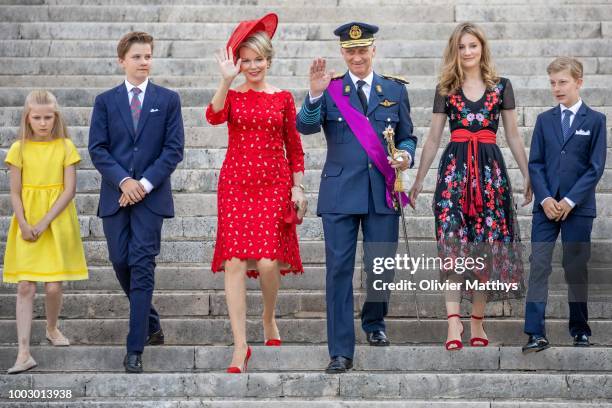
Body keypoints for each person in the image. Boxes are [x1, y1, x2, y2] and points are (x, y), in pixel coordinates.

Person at [296, 22, 416, 373]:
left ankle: (374, 323)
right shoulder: (330, 89)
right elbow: (305, 127)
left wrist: (405, 156)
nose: (358, 56)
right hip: (340, 193)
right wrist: (315, 95)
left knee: (381, 265)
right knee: (338, 271)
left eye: (363, 50)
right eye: (351, 51)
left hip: (382, 190)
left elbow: (408, 136)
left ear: (373, 50)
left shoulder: (393, 88)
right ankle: (340, 350)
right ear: (342, 54)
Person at [409, 22, 531, 351]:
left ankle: (476, 320)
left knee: (485, 252)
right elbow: (434, 137)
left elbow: (513, 135)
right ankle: (453, 324)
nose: (467, 52)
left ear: (482, 48)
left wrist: (527, 174)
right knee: (452, 248)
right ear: (455, 51)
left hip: (491, 177)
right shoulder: (446, 88)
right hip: (453, 176)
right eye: (461, 47)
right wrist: (419, 178)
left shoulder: (501, 86)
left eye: (472, 46)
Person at [205, 13, 306, 373]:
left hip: (274, 184)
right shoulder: (231, 95)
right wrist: (224, 80)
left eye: (258, 60)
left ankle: (267, 317)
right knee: (233, 262)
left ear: (269, 59)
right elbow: (213, 116)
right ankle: (240, 345)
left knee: (266, 262)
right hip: (235, 185)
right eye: (245, 61)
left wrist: (297, 185)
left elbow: (294, 146)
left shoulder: (282, 98)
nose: (252, 66)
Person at [88, 31, 184, 373]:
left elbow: (173, 149)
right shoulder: (105, 101)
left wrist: (142, 184)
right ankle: (151, 322)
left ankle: (135, 348)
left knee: (142, 265)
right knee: (119, 260)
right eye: (137, 57)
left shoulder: (168, 99)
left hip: (151, 197)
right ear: (122, 60)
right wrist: (124, 181)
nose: (144, 62)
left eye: (148, 56)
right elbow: (98, 148)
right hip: (116, 196)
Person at [522, 57, 607, 352]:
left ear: (579, 82)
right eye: (553, 83)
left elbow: (595, 168)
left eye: (563, 82)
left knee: (575, 267)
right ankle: (535, 332)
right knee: (539, 265)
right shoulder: (545, 120)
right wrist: (545, 198)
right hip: (546, 206)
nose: (557, 88)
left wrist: (570, 200)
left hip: (578, 207)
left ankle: (580, 329)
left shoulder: (595, 120)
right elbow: (536, 163)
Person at [3, 90, 88, 374]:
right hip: (27, 220)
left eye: (48, 117)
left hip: (57, 221)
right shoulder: (19, 149)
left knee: (53, 286)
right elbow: (14, 192)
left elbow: (69, 191)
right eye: (37, 117)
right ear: (27, 118)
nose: (42, 123)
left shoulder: (65, 146)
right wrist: (25, 223)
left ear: (56, 117)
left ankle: (52, 327)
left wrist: (45, 222)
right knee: (26, 286)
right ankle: (23, 351)